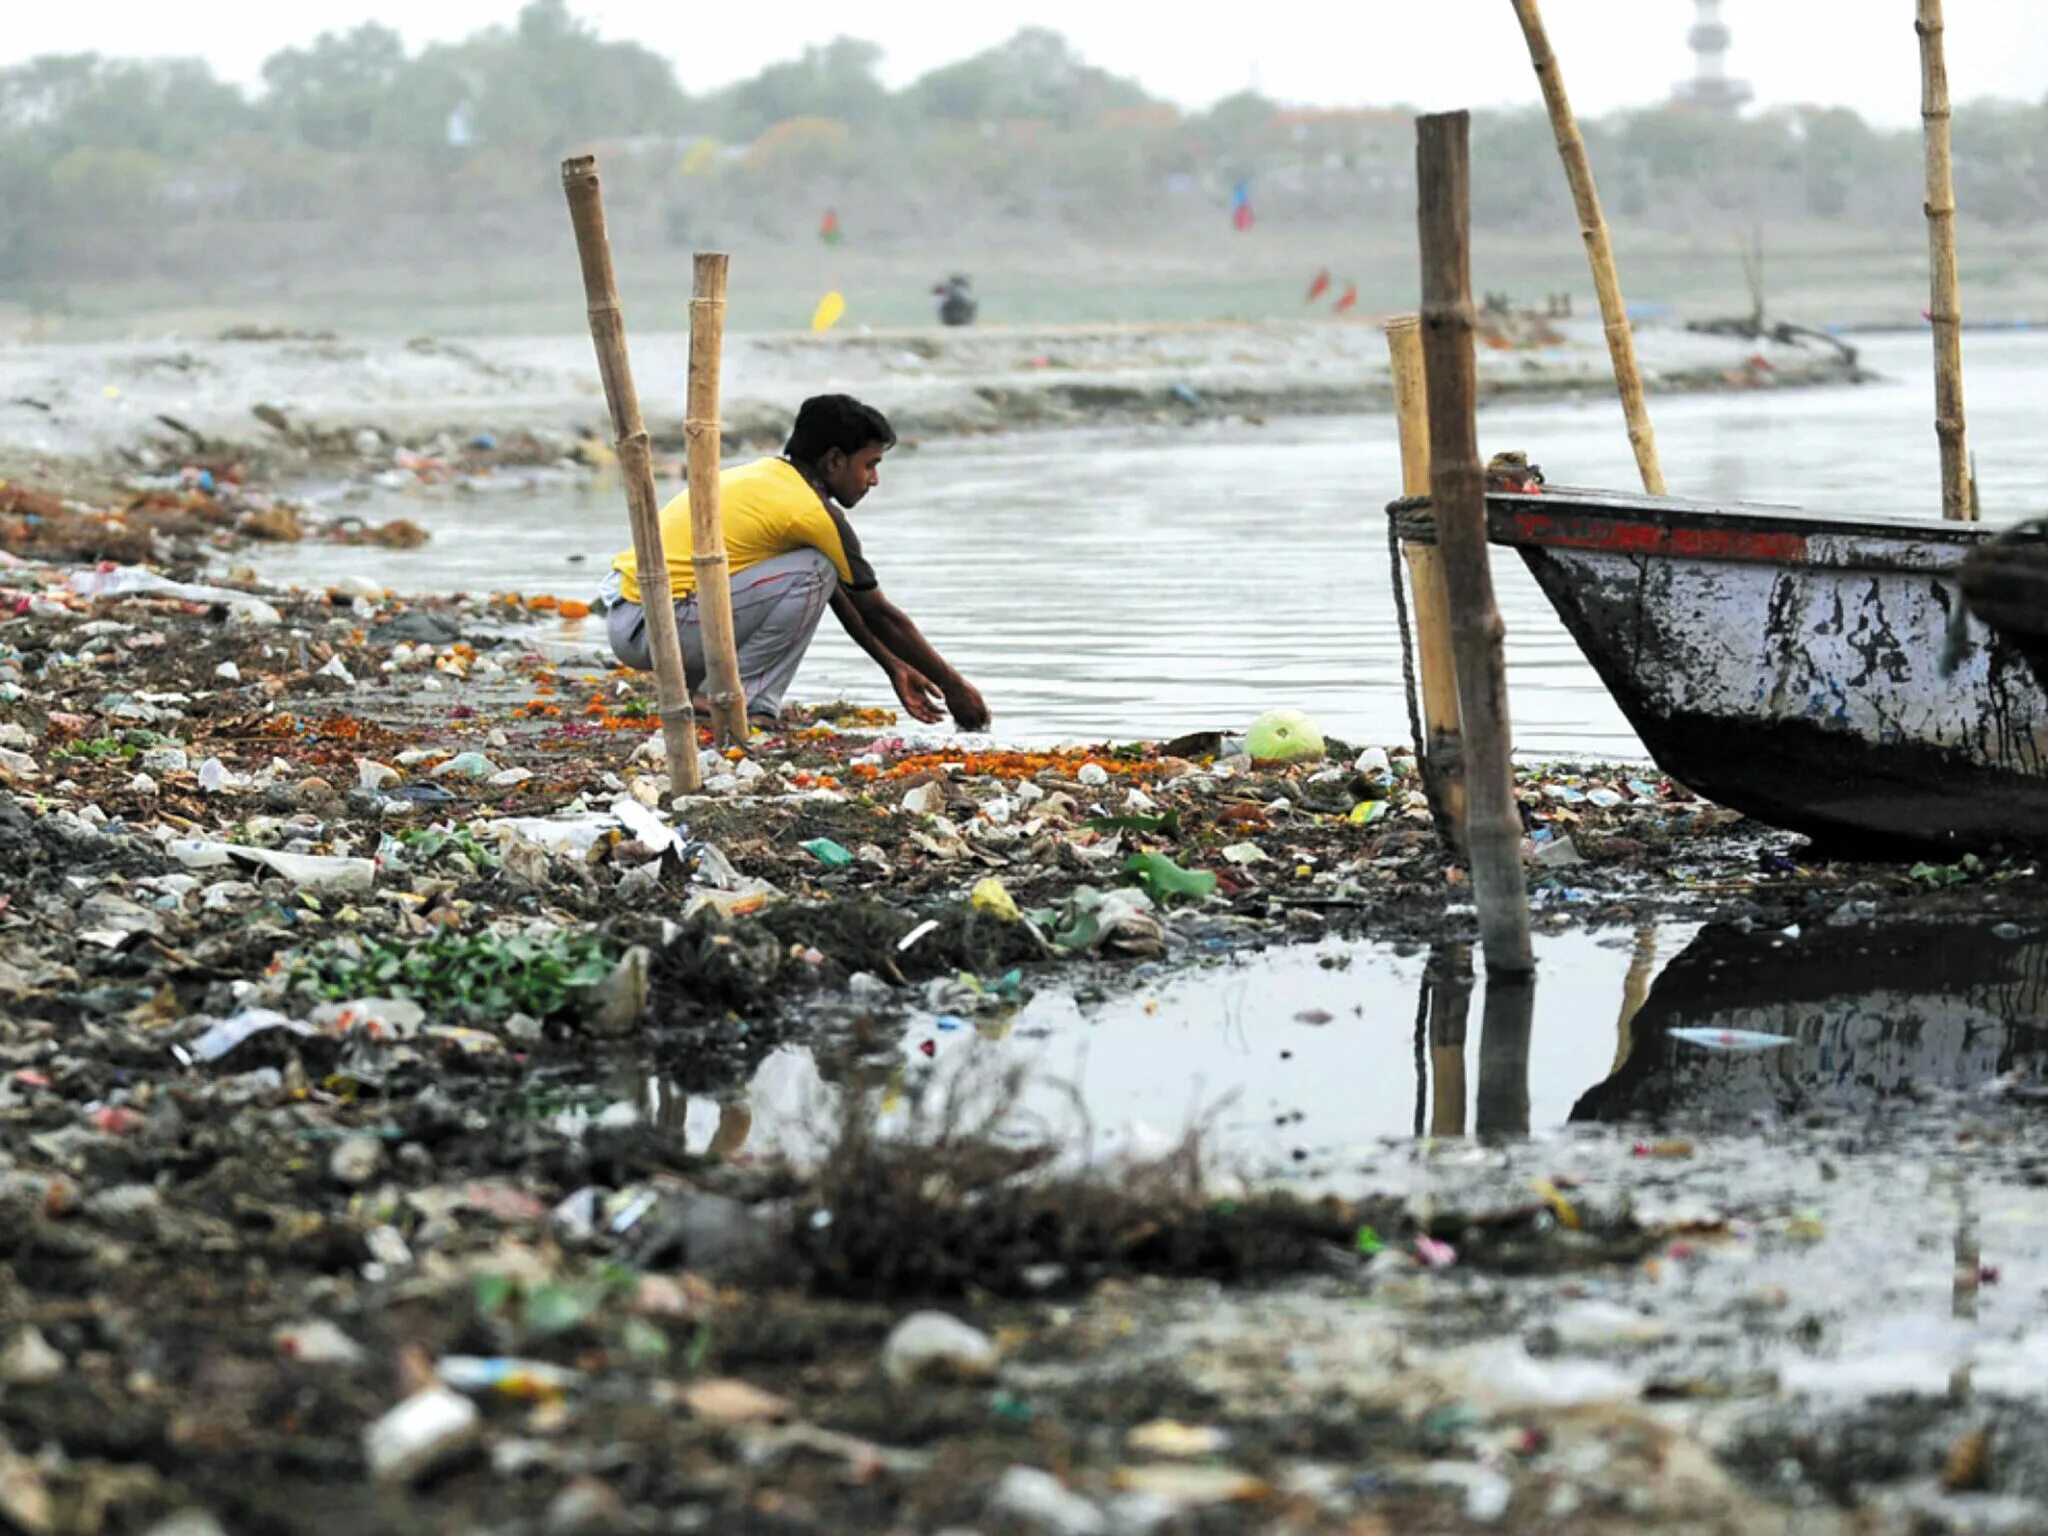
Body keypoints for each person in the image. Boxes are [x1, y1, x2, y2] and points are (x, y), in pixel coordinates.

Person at [599, 394, 989, 732]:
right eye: (869, 465)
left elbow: (837, 595)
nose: (873, 480)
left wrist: (893, 666)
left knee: (817, 569)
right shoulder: (812, 513)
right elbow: (880, 615)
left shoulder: (770, 477)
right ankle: (737, 699)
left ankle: (720, 694)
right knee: (814, 569)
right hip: (655, 628)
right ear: (835, 460)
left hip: (630, 617)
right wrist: (955, 688)